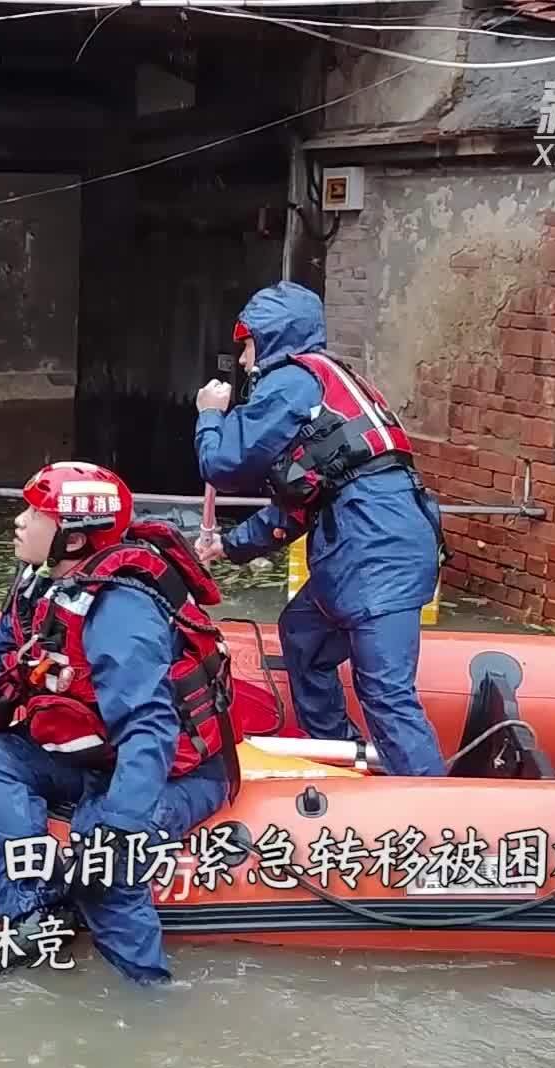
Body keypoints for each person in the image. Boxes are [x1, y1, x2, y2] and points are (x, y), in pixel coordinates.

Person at [0, 462, 237, 985]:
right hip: (92, 755)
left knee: (104, 857)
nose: (19, 522)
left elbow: (149, 728)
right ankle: (30, 912)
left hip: (178, 772)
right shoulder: (42, 584)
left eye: (35, 514)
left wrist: (120, 825)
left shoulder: (121, 609)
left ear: (74, 537)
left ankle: (149, 993)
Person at [192, 280, 448, 777]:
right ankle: (338, 752)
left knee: (387, 695)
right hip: (361, 546)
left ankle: (438, 818)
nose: (243, 363)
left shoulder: (291, 382)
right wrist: (226, 546)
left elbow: (223, 463)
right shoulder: (325, 385)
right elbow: (299, 503)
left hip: (378, 553)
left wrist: (209, 416)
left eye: (246, 348)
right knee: (302, 633)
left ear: (269, 339)